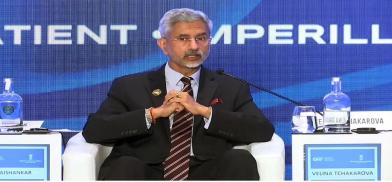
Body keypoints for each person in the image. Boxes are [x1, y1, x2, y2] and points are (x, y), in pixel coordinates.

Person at [82, 8, 274, 180]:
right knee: (124, 165)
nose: (193, 46)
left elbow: (262, 130)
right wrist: (153, 114)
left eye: (201, 38)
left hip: (206, 171)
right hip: (146, 170)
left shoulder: (231, 87)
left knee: (239, 158)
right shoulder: (130, 86)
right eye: (183, 39)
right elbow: (94, 130)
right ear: (163, 44)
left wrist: (206, 112)